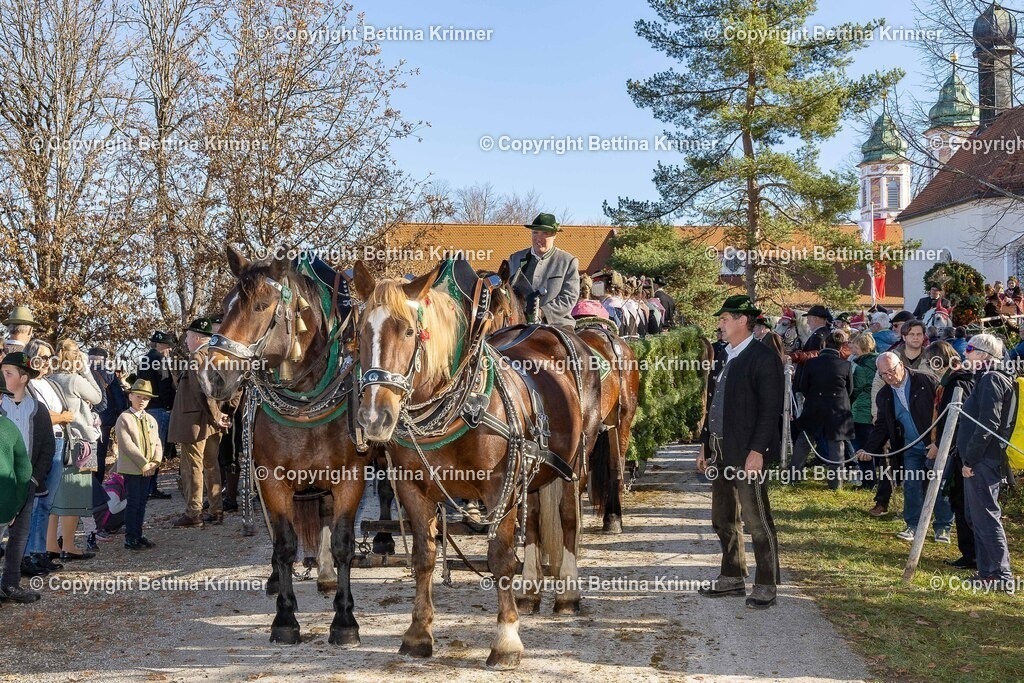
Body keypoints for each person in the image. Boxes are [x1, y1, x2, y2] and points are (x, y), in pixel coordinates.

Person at [697, 295, 783, 609]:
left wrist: (758, 450)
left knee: (757, 520)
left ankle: (766, 582)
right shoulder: (724, 355)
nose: (720, 324)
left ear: (742, 321)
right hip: (721, 451)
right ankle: (732, 576)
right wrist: (705, 444)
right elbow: (713, 403)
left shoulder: (763, 357)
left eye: (725, 319)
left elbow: (770, 408)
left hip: (748, 453)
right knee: (722, 518)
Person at [857, 352, 949, 542]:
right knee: (911, 484)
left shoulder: (926, 381)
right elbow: (882, 426)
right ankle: (912, 525)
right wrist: (869, 449)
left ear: (901, 365)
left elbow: (945, 412)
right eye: (884, 374)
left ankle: (943, 527)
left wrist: (939, 443)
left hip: (934, 444)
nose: (889, 376)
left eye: (891, 371)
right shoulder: (884, 395)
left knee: (939, 484)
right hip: (910, 446)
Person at [957, 334, 1015, 589]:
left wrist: (970, 459)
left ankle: (1000, 575)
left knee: (986, 516)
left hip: (983, 460)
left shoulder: (992, 379)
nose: (964, 353)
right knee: (976, 516)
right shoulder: (988, 378)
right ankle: (987, 573)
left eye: (969, 349)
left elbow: (987, 425)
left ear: (983, 354)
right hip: (982, 459)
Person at [0, 352, 55, 602]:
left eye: (8, 373)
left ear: (24, 378)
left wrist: (34, 478)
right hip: (2, 483)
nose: (3, 377)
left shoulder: (38, 409)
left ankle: (11, 583)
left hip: (25, 483)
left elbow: (47, 446)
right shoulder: (1, 405)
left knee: (20, 534)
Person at [169, 318, 230, 528]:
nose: (185, 340)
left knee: (192, 468)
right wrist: (222, 414)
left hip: (197, 422)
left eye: (187, 336)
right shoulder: (216, 356)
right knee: (211, 466)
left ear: (196, 337)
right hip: (212, 421)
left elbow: (202, 392)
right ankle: (216, 510)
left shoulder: (197, 357)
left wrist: (215, 415)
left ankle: (194, 513)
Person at [47, 340, 103, 559]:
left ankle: (51, 544)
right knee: (76, 494)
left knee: (54, 496)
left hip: (58, 440)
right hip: (81, 443)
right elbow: (97, 396)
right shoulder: (74, 380)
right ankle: (69, 546)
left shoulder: (49, 379)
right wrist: (87, 371)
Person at [23, 339, 73, 575]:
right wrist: (62, 417)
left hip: (59, 441)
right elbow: (41, 416)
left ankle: (39, 551)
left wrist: (61, 417)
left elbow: (64, 413)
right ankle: (25, 556)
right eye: (42, 357)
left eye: (50, 357)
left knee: (46, 504)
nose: (46, 362)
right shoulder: (26, 385)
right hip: (39, 445)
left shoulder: (52, 384)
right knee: (32, 503)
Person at [924, 342, 976, 565]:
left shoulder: (958, 383)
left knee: (963, 503)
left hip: (959, 452)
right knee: (958, 501)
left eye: (931, 361)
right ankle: (968, 553)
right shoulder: (950, 381)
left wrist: (940, 446)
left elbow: (957, 421)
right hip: (955, 450)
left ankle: (971, 555)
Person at [790, 330, 854, 490]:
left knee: (804, 442)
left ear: (824, 344)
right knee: (836, 446)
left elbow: (803, 386)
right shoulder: (846, 365)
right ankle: (836, 483)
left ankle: (792, 477)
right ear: (840, 348)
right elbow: (850, 389)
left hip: (814, 405)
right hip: (838, 408)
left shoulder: (811, 363)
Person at [507, 213, 580, 330]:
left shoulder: (568, 261)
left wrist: (542, 312)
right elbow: (506, 292)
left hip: (557, 325)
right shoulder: (515, 259)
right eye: (535, 232)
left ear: (554, 235)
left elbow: (569, 297)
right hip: (518, 325)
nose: (538, 238)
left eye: (545, 233)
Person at [115, 379, 163, 550]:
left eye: (146, 398)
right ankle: (130, 536)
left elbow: (157, 441)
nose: (142, 400)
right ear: (130, 397)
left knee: (142, 502)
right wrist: (143, 464)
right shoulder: (124, 418)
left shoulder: (151, 419)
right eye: (138, 396)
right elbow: (126, 444)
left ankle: (139, 533)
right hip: (133, 468)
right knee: (133, 502)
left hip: (148, 469)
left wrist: (155, 462)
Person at [137, 331, 177, 499]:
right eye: (168, 347)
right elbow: (165, 386)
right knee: (156, 450)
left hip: (145, 408)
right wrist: (171, 405)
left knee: (147, 448)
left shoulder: (143, 361)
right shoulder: (160, 361)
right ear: (160, 345)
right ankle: (151, 488)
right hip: (159, 408)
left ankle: (146, 487)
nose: (169, 350)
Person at [89, 347, 128, 514]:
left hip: (86, 420)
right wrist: (121, 415)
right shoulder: (110, 374)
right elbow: (119, 399)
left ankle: (88, 492)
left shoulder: (81, 373)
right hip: (104, 420)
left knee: (88, 456)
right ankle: (97, 494)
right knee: (100, 456)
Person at [849, 333, 879, 490]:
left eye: (854, 345)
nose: (852, 348)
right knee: (869, 446)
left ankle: (869, 482)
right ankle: (870, 480)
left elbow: (856, 388)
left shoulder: (861, 366)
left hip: (861, 410)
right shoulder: (877, 361)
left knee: (861, 447)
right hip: (873, 408)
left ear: (862, 347)